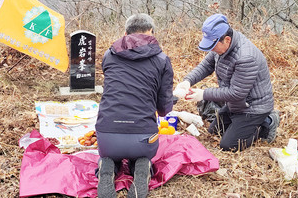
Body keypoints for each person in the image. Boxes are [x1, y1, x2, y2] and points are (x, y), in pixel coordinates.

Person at [95, 14, 174, 198]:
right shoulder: (162, 59)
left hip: (107, 139)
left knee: (112, 152)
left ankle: (107, 164)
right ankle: (141, 166)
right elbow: (163, 109)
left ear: (125, 33)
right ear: (151, 32)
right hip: (143, 140)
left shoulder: (109, 55)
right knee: (139, 151)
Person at [173, 14, 279, 151]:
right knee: (215, 131)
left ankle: (267, 123)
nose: (211, 49)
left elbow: (236, 93)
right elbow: (206, 66)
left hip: (252, 107)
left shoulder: (246, 57)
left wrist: (203, 94)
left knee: (229, 145)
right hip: (235, 104)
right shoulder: (220, 46)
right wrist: (187, 81)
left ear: (227, 40)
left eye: (212, 45)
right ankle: (242, 124)